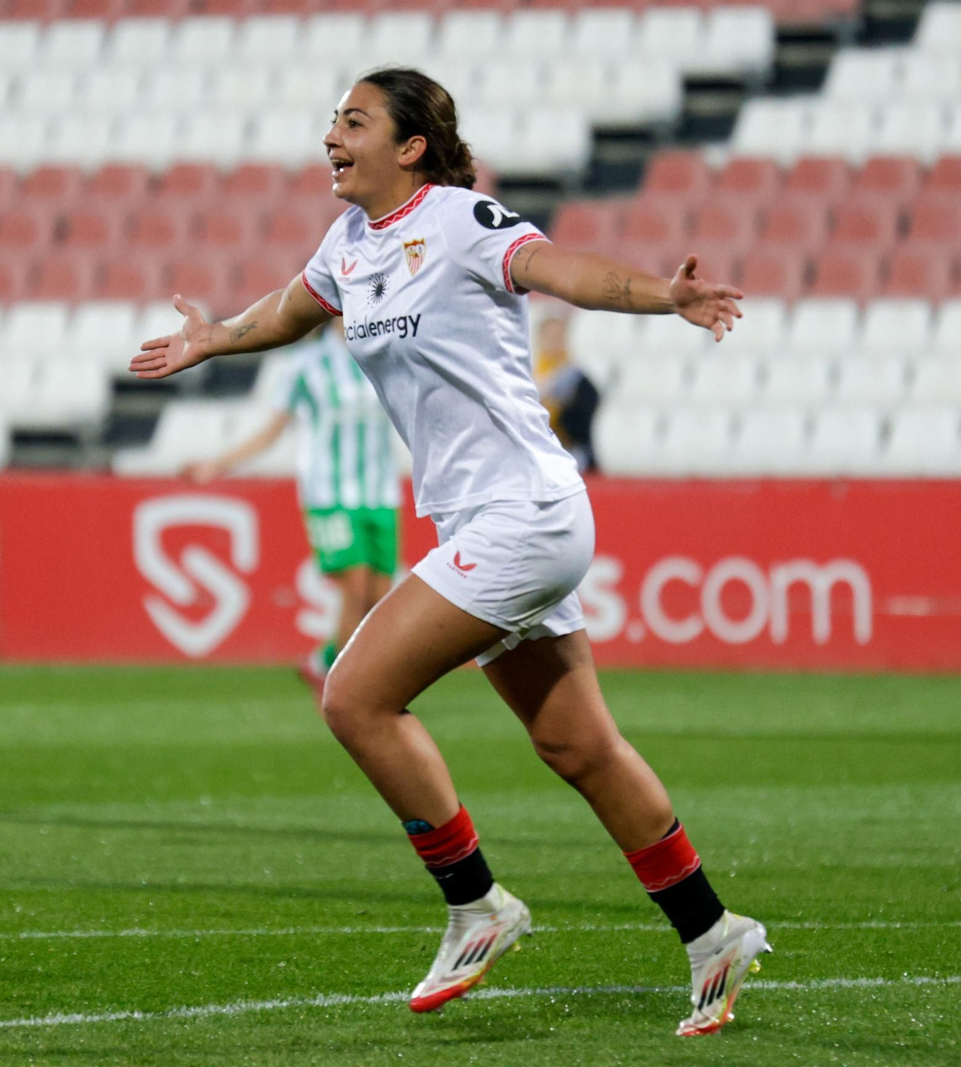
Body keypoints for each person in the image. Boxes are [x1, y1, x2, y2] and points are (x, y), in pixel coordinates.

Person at [130, 67, 766, 1037]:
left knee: (353, 694)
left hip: (524, 513)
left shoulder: (464, 220)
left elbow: (567, 273)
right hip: (484, 523)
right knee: (576, 745)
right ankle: (711, 930)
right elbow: (290, 310)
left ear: (410, 145)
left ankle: (476, 902)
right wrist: (214, 338)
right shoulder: (349, 241)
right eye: (332, 120)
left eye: (353, 121)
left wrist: (657, 295)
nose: (330, 134)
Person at [183, 316, 400, 697]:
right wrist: (218, 465)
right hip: (330, 494)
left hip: (381, 492)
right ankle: (348, 689)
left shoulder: (385, 355)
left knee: (379, 598)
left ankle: (324, 663)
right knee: (357, 585)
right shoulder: (306, 364)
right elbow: (273, 429)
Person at [532, 314, 600, 473]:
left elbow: (584, 422)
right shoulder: (530, 375)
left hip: (571, 451)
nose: (554, 342)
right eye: (550, 337)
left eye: (559, 337)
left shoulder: (578, 379)